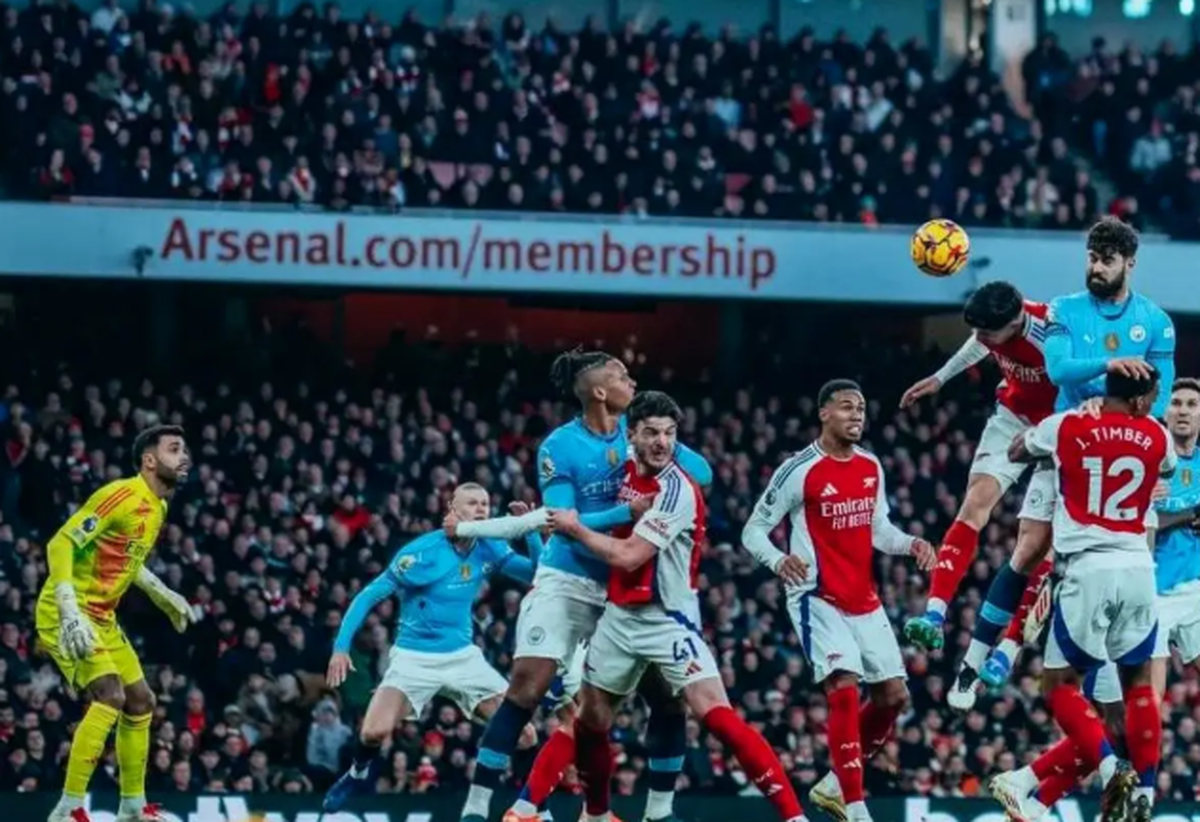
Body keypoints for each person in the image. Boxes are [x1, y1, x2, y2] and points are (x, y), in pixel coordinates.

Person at [453, 350, 712, 822]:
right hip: (568, 579)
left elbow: (705, 475)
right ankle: (476, 808)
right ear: (599, 391)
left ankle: (655, 812)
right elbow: (561, 522)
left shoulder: (640, 432)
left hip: (621, 587)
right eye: (622, 376)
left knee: (665, 698)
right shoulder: (559, 446)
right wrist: (624, 512)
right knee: (527, 687)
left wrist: (661, 444)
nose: (632, 382)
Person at [548, 390, 809, 822]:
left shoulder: (676, 490)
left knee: (716, 716)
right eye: (652, 432)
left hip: (668, 619)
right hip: (618, 617)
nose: (662, 442)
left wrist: (574, 529)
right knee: (591, 721)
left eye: (670, 433)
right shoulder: (619, 468)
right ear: (632, 435)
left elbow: (629, 556)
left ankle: (793, 816)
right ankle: (596, 816)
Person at [951, 216, 1176, 691]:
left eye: (1107, 260)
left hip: (1122, 455)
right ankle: (974, 660)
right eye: (1092, 258)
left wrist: (1116, 416)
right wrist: (1109, 370)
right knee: (1028, 549)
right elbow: (1057, 369)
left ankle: (1026, 655)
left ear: (1129, 263)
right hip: (1067, 444)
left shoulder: (1156, 322)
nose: (1096, 267)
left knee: (1099, 564)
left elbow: (1160, 397)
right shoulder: (1064, 310)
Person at [741, 379, 937, 822]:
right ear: (824, 413)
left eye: (861, 408)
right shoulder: (799, 470)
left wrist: (911, 544)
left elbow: (879, 530)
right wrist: (778, 560)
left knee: (893, 697)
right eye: (847, 407)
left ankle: (833, 784)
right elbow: (753, 530)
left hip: (863, 596)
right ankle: (855, 805)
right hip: (815, 594)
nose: (857, 415)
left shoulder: (870, 465)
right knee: (844, 685)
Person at [991, 366, 1173, 822]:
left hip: (1087, 569)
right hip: (1138, 568)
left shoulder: (1067, 425)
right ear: (1138, 400)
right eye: (1152, 397)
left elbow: (1016, 450)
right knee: (1139, 685)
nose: (1154, 404)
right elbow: (1166, 465)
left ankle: (1110, 771)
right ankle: (1144, 793)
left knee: (1059, 685)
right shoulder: (1157, 434)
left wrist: (1048, 437)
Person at [322, 483, 539, 812]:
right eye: (472, 503)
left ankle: (531, 806)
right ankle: (357, 773)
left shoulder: (489, 546)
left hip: (463, 658)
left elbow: (536, 572)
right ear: (453, 509)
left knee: (526, 735)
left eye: (485, 503)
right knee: (373, 733)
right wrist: (341, 647)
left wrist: (530, 530)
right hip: (414, 659)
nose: (481, 509)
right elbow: (368, 596)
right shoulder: (421, 554)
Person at [37, 425, 195, 822]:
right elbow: (60, 542)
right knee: (110, 695)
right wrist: (69, 609)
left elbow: (128, 560)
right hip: (65, 611)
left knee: (142, 701)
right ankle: (69, 807)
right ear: (150, 460)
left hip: (102, 616)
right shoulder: (120, 495)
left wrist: (163, 594)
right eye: (175, 449)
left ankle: (132, 807)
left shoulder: (158, 507)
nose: (184, 457)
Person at [900, 281, 1057, 657]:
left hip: (1056, 428)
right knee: (974, 503)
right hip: (1012, 416)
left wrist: (1052, 434)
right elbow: (979, 342)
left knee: (1038, 542)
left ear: (1015, 322)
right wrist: (940, 377)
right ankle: (934, 615)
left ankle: (1009, 646)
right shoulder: (996, 326)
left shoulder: (1051, 334)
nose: (982, 339)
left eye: (988, 333)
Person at [1149, 378, 1200, 690]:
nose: (1183, 411)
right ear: (1164, 411)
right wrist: (1189, 514)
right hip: (1154, 592)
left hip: (1195, 588)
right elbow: (1137, 521)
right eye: (1176, 403)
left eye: (1192, 404)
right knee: (1148, 694)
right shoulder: (1148, 460)